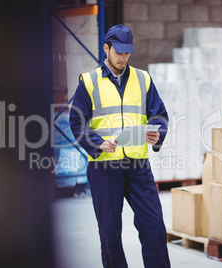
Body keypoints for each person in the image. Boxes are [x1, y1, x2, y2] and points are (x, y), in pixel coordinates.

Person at [69, 24, 171, 268]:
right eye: (118, 52)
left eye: (127, 53)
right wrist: (98, 143)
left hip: (138, 166)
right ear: (106, 48)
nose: (123, 57)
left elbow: (159, 114)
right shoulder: (90, 82)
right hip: (104, 168)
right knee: (110, 232)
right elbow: (77, 121)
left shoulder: (143, 79)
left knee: (154, 226)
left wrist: (158, 132)